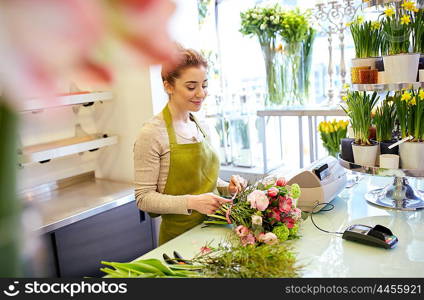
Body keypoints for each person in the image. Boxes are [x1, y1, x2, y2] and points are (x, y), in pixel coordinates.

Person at [134, 46, 247, 245]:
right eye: (191, 86)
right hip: (179, 240)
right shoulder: (152, 133)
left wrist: (226, 187)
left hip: (217, 229)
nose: (201, 93)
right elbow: (144, 198)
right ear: (168, 86)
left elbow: (204, 181)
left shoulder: (200, 126)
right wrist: (192, 203)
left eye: (204, 85)